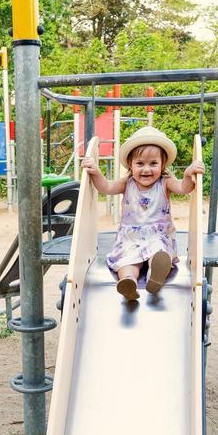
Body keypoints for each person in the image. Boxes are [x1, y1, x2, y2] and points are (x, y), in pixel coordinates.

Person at [81, 126, 203, 303]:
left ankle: (156, 275)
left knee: (160, 252)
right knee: (127, 260)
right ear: (130, 165)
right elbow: (105, 188)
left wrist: (188, 174)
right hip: (131, 237)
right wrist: (96, 172)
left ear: (162, 165)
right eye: (140, 164)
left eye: (153, 163)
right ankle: (128, 282)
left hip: (158, 235)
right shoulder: (127, 183)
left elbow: (184, 188)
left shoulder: (165, 182)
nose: (146, 169)